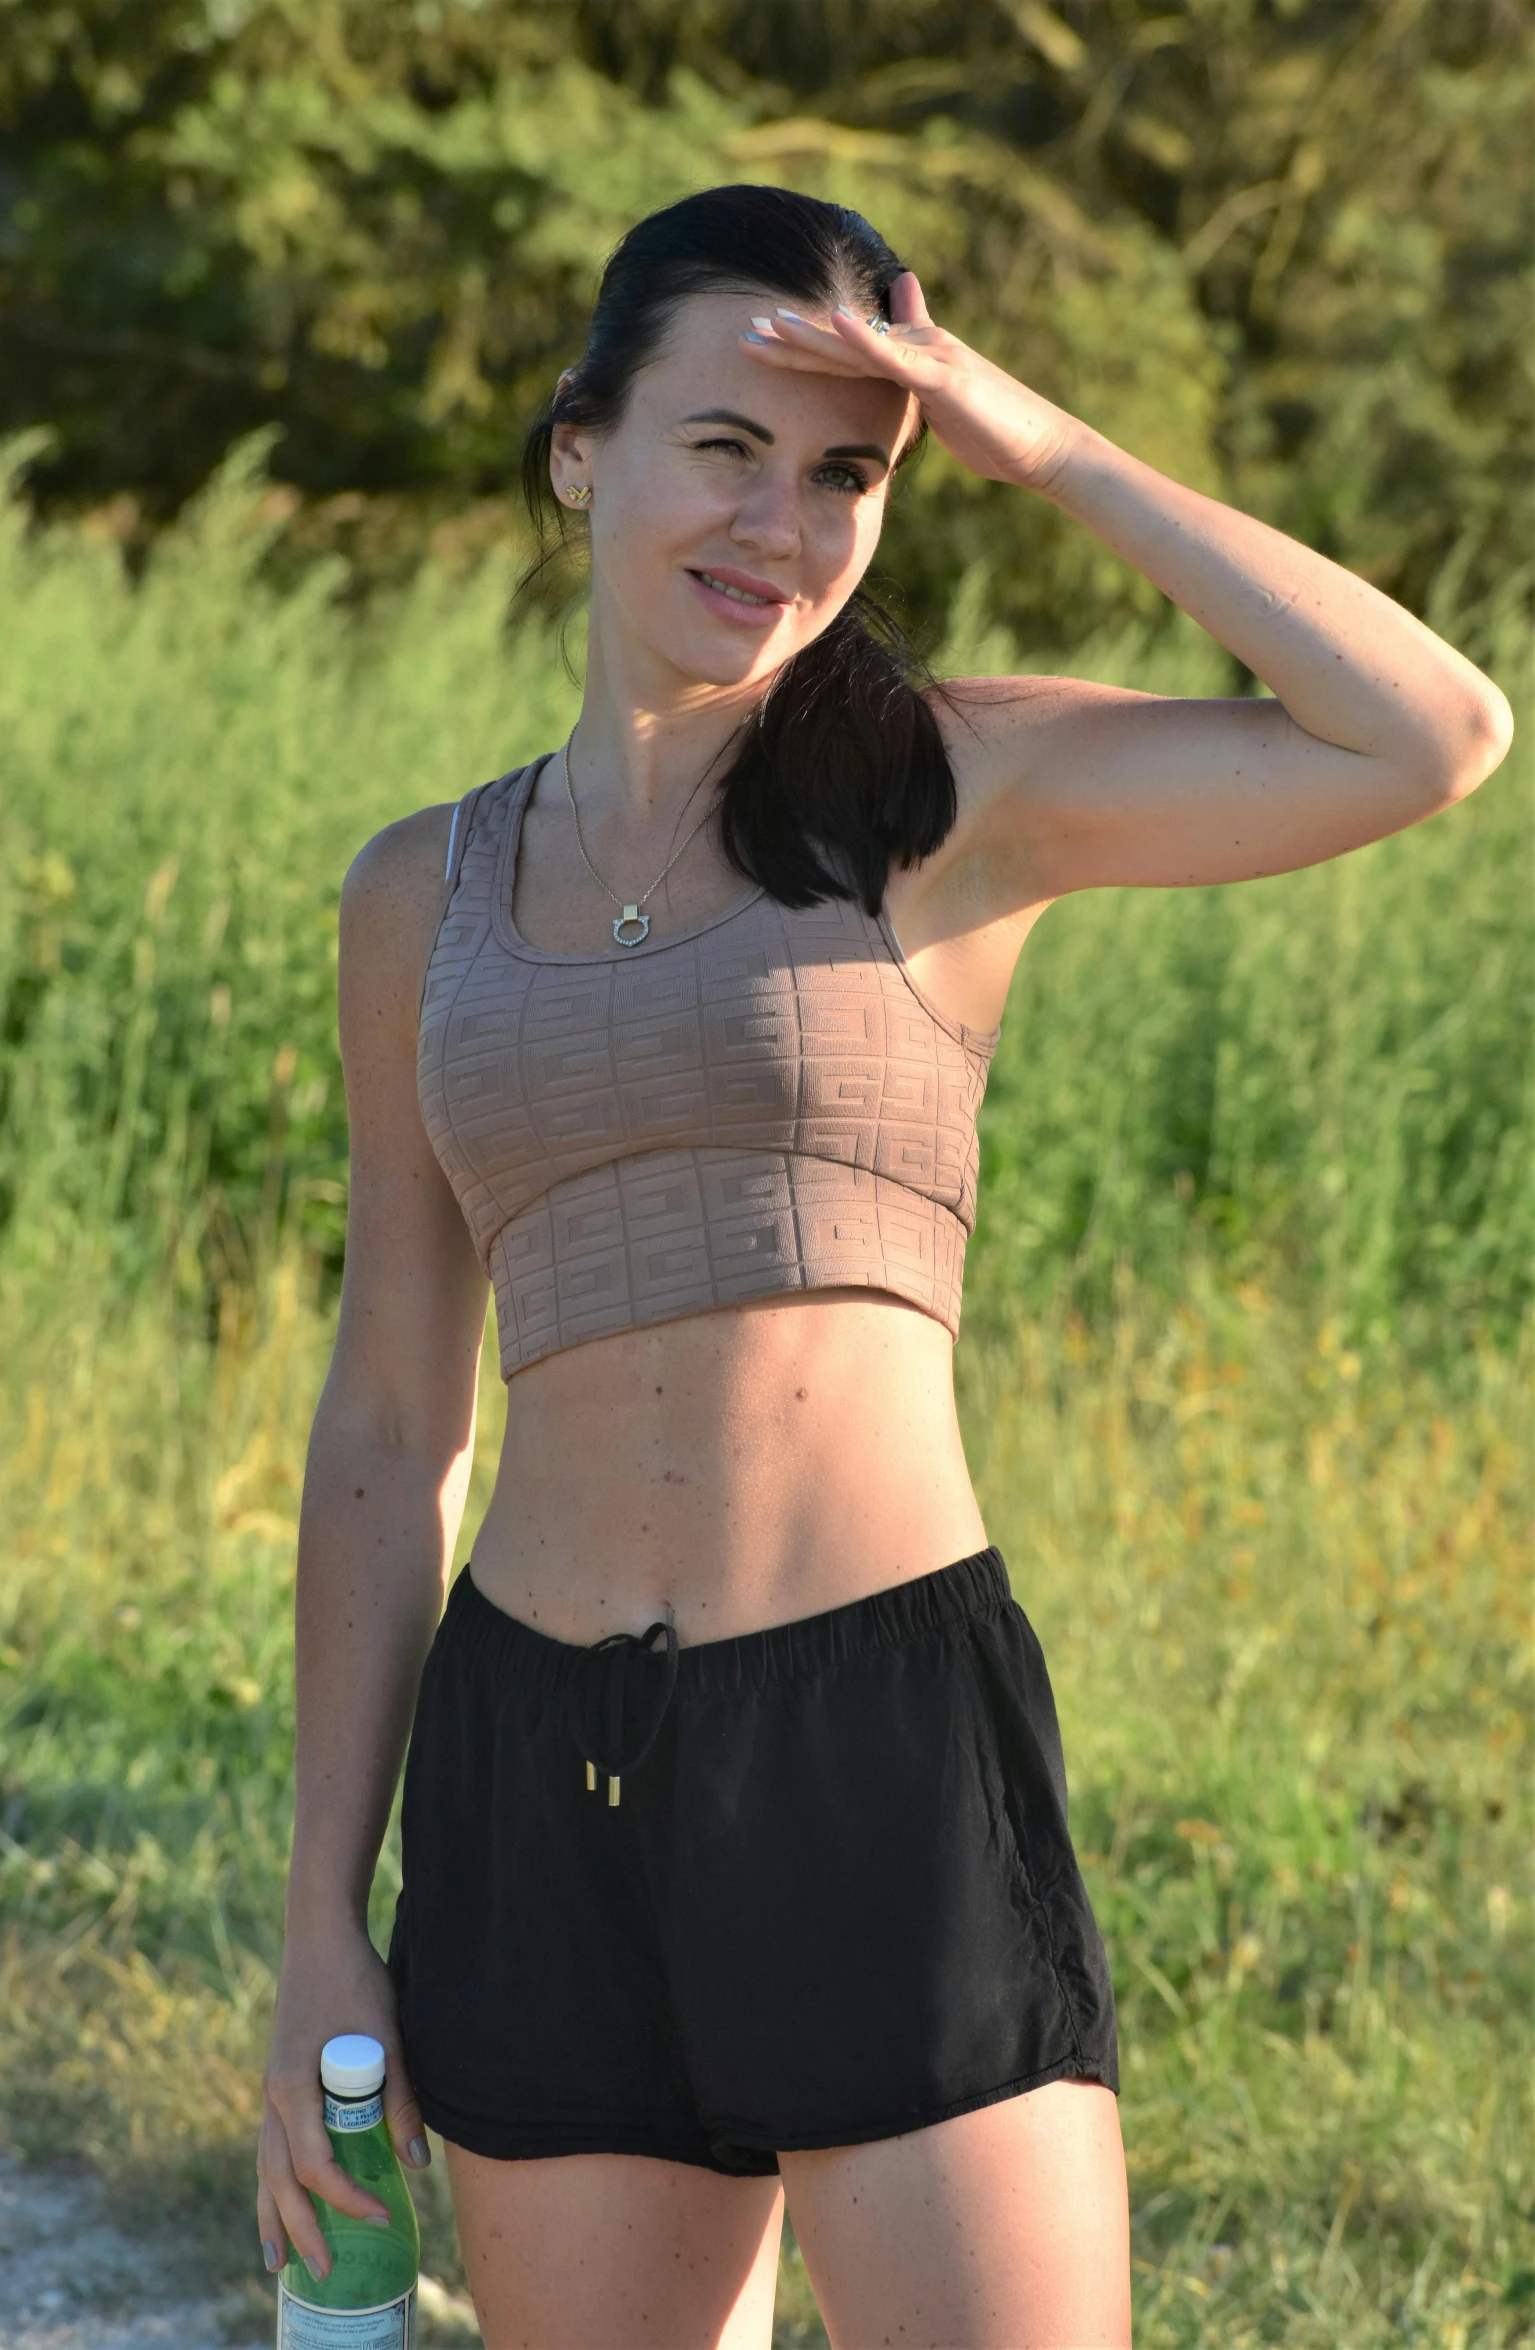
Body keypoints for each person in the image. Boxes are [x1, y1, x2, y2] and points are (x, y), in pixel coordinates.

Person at [255, 184, 1510, 2349]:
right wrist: (318, 1920)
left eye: (849, 472)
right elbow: (390, 1416)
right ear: (584, 448)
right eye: (727, 446)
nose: (786, 521)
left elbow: (1429, 733)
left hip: (870, 1734)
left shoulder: (945, 788)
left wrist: (1039, 442)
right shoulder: (420, 896)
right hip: (531, 1770)